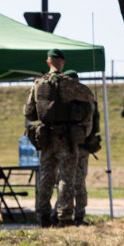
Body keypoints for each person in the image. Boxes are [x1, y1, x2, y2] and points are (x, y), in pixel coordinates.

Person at [24, 50, 96, 227]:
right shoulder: (67, 84)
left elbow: (28, 112)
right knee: (66, 178)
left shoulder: (38, 85)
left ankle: (43, 217)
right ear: (62, 62)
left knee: (46, 178)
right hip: (66, 139)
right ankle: (64, 217)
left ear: (48, 62)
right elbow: (89, 95)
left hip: (45, 138)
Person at [63, 69, 100, 226]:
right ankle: (79, 216)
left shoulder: (64, 98)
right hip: (84, 146)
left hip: (67, 146)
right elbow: (94, 125)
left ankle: (65, 215)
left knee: (65, 180)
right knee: (79, 182)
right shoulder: (88, 97)